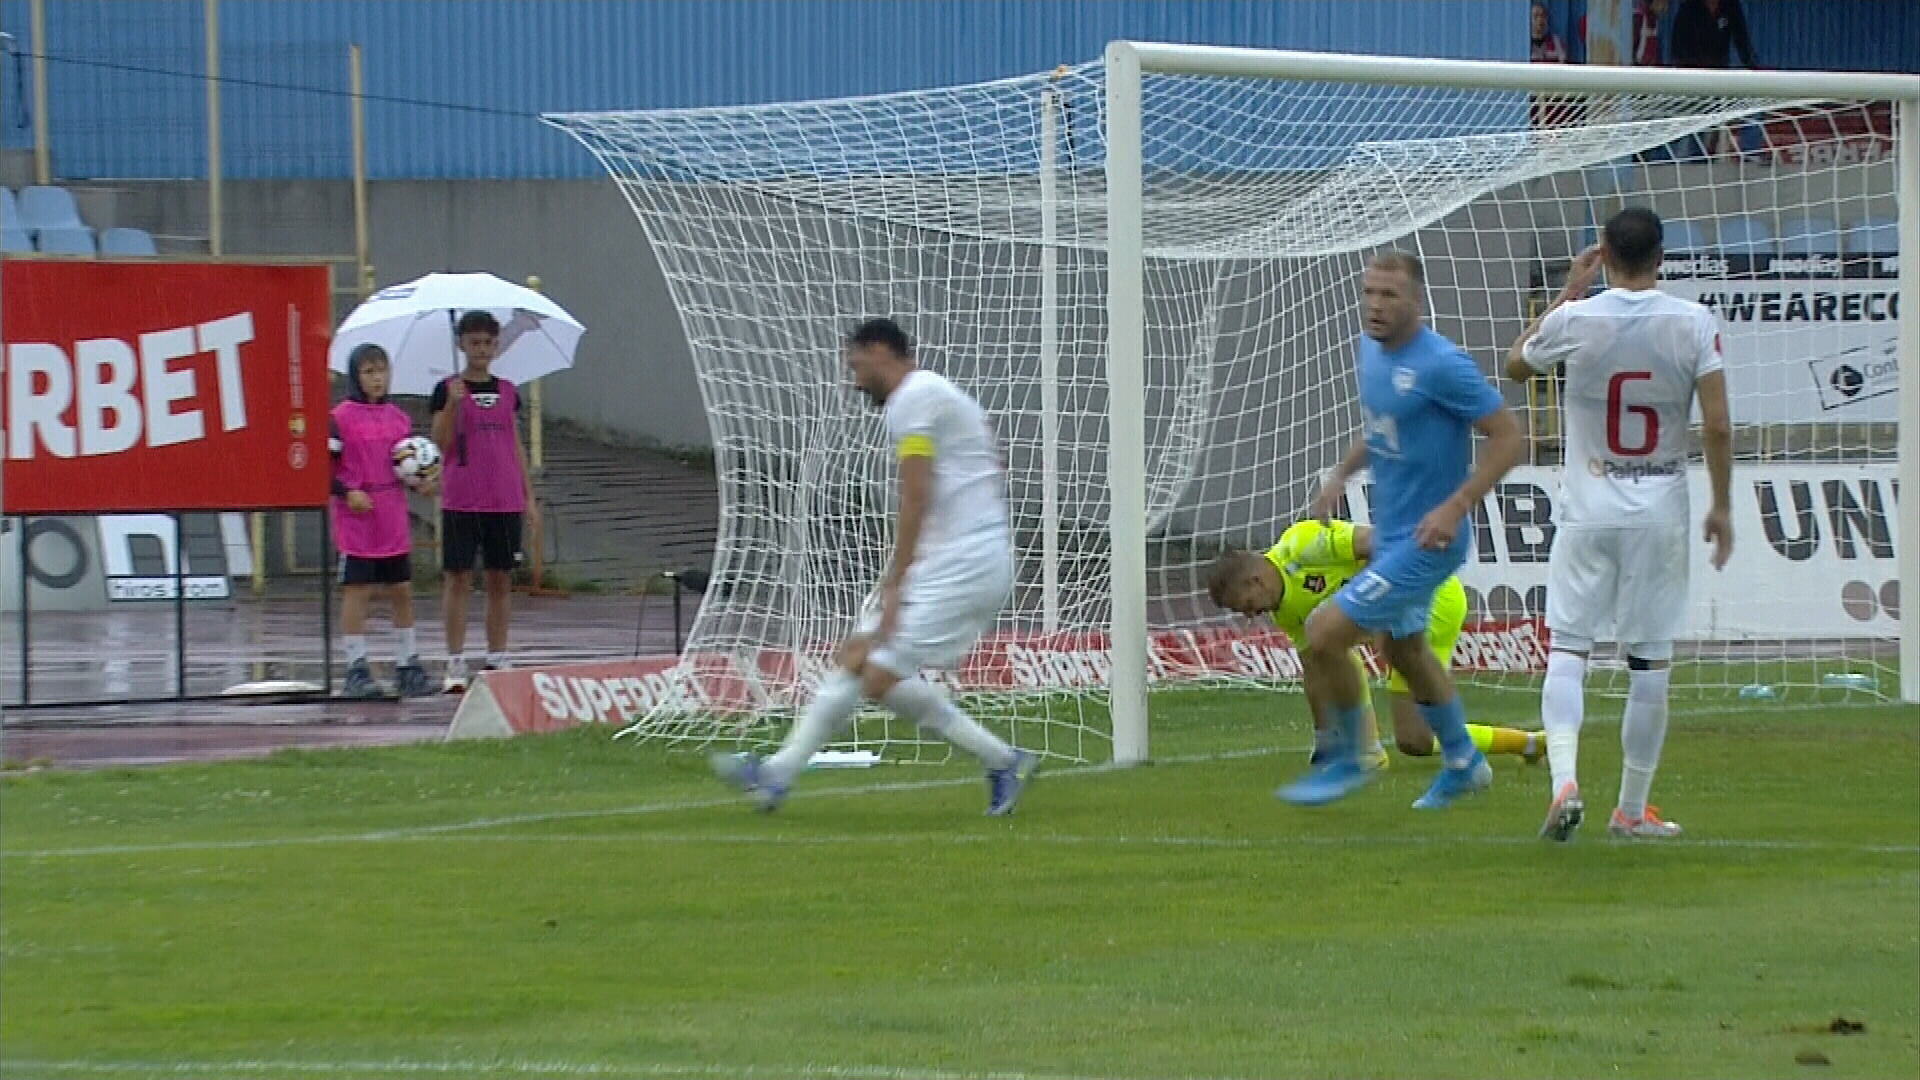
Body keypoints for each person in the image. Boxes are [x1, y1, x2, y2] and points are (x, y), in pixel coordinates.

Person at [711, 318, 1037, 814]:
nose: (854, 382)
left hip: (965, 563)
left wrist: (895, 585)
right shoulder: (931, 396)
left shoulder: (915, 397)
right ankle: (777, 774)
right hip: (952, 557)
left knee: (877, 672)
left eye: (857, 366)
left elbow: (916, 496)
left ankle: (1001, 758)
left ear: (883, 350)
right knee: (859, 661)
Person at [1506, 207, 1734, 842]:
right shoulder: (1692, 322)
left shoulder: (1578, 318)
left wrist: (1569, 292)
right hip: (1660, 514)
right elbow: (1717, 425)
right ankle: (1631, 810)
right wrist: (1721, 505)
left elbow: (1515, 364)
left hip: (1588, 510)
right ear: (1663, 257)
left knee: (1569, 652)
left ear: (1603, 253)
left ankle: (1564, 782)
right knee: (1650, 666)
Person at [1275, 252, 1527, 810]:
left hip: (1427, 540)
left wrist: (1456, 506)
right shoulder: (1371, 352)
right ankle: (1464, 763)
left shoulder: (1443, 365)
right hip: (1391, 534)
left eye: (1389, 295)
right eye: (1369, 293)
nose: (1375, 305)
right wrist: (1342, 471)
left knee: (1322, 632)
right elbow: (1384, 426)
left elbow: (1510, 436)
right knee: (1405, 649)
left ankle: (1348, 756)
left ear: (1416, 300)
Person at [1206, 520, 1545, 772]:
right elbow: (1314, 669)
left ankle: (1369, 751)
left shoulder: (1302, 545)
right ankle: (1529, 743)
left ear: (1256, 580)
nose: (1250, 615)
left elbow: (1378, 540)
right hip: (1397, 619)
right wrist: (1324, 740)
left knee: (1336, 646)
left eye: (1246, 604)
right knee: (1416, 740)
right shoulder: (1284, 610)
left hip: (1431, 598)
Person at [430, 310, 536, 693]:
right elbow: (438, 443)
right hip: (462, 498)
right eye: (474, 343)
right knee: (458, 579)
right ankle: (455, 659)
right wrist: (453, 405)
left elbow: (516, 444)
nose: (482, 350)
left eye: (488, 343)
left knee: (500, 579)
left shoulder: (508, 391)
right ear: (461, 344)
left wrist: (529, 497)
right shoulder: (447, 389)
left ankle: (497, 653)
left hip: (504, 499)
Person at [330, 344, 435, 698]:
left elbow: (405, 462)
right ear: (356, 376)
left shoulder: (398, 418)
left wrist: (421, 482)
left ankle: (408, 662)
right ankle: (356, 667)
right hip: (358, 515)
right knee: (358, 590)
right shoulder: (340, 417)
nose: (377, 379)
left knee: (401, 589)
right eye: (368, 372)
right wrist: (347, 492)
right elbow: (323, 468)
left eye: (381, 370)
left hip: (391, 513)